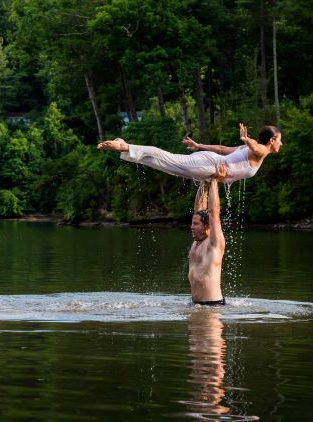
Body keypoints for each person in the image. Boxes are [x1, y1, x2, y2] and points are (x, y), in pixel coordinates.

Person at [96, 123, 282, 184]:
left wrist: (199, 144)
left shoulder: (251, 150)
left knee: (165, 165)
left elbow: (223, 149)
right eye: (280, 139)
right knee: (166, 158)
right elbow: (257, 148)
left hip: (209, 164)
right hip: (210, 165)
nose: (281, 143)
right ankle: (125, 146)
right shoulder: (260, 150)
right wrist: (247, 139)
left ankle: (127, 149)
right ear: (271, 141)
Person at [188, 178, 226, 305]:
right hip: (195, 304)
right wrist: (204, 183)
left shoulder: (213, 244)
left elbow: (214, 212)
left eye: (195, 224)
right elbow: (198, 209)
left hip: (213, 306)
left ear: (207, 226)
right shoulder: (197, 242)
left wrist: (214, 180)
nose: (191, 227)